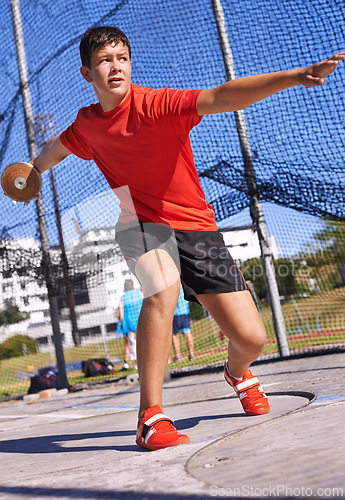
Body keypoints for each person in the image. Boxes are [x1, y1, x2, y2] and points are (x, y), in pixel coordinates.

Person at [7, 26, 344, 451]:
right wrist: (33, 171)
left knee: (252, 338)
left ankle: (238, 372)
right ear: (87, 73)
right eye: (106, 61)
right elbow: (60, 146)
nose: (116, 66)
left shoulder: (158, 104)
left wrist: (295, 76)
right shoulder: (88, 124)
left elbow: (222, 96)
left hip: (197, 227)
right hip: (139, 223)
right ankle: (150, 417)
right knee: (162, 292)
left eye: (122, 58)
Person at [115, 279, 142, 370]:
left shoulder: (123, 297)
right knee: (142, 342)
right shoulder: (139, 293)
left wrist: (122, 323)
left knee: (132, 344)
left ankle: (136, 363)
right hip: (140, 321)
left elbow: (121, 312)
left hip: (129, 324)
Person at [171, 286, 194, 363]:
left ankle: (178, 356)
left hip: (175, 314)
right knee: (187, 332)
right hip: (185, 312)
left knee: (174, 335)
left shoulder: (171, 285)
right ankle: (191, 354)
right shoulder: (183, 285)